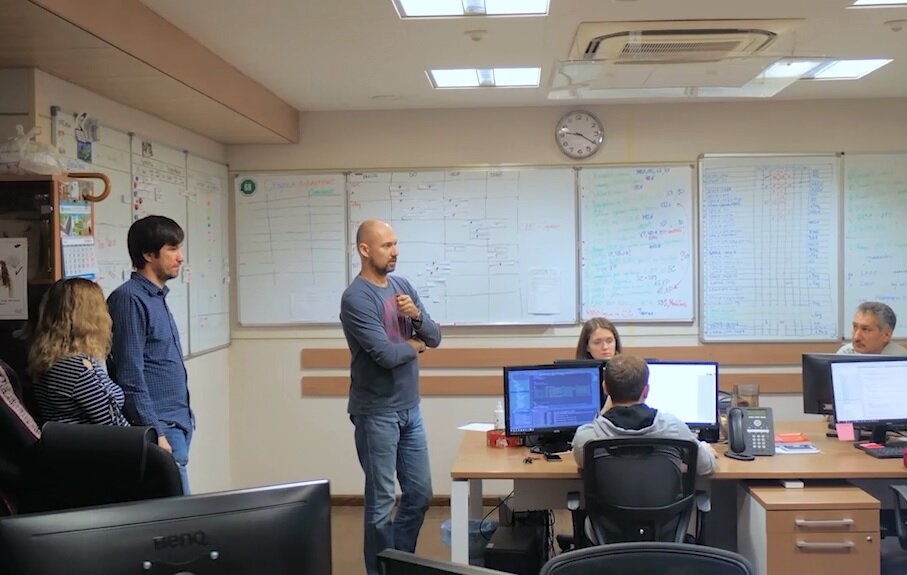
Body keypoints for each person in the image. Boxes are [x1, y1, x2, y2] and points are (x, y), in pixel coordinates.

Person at [340, 219, 442, 575]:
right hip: (376, 412)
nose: (395, 251)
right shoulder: (356, 298)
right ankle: (380, 571)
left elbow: (435, 337)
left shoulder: (402, 286)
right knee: (381, 503)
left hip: (409, 408)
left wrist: (417, 318)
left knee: (420, 494)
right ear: (364, 250)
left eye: (395, 244)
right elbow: (385, 355)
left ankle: (399, 562)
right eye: (386, 246)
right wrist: (415, 344)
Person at [107, 215, 192, 494]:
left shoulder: (155, 296)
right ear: (148, 254)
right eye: (172, 249)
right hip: (160, 427)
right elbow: (129, 375)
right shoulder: (130, 299)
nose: (180, 257)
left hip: (176, 422)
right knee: (178, 516)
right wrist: (155, 431)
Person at [572, 354, 717, 475]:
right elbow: (706, 468)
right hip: (662, 502)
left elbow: (584, 464)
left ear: (605, 388)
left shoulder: (587, 437)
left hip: (608, 503)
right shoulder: (673, 427)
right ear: (646, 390)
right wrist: (699, 452)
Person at [27, 278, 129, 426]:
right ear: (92, 317)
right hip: (93, 440)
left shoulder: (49, 359)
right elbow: (114, 424)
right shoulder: (77, 369)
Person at [837, 301, 907, 356]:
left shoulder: (899, 359)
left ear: (887, 335)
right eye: (855, 327)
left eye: (865, 329)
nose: (856, 337)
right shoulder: (845, 353)